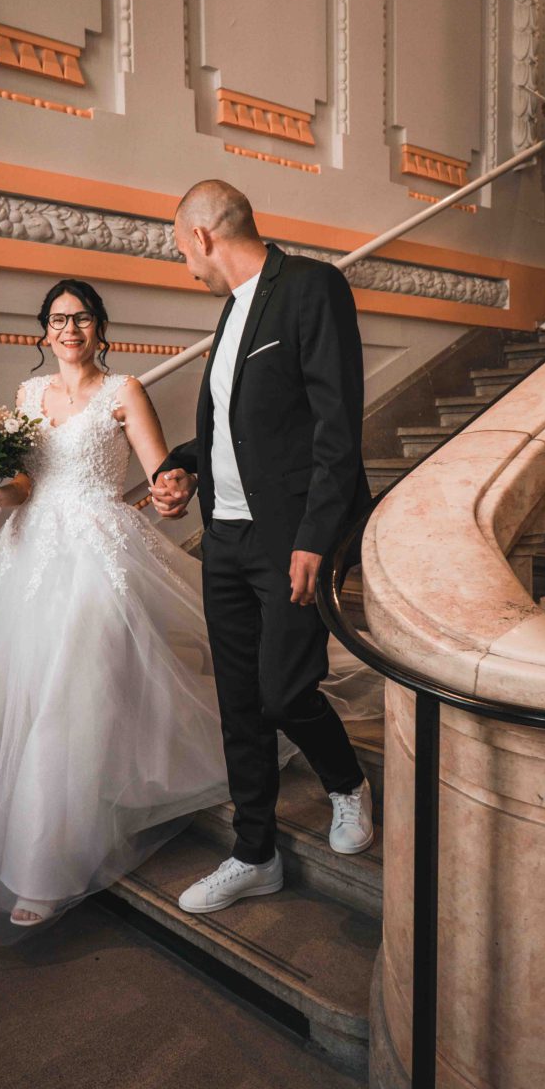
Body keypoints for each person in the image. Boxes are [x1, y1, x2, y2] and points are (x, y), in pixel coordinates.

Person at [0, 276, 380, 947]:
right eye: (58, 319)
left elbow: (162, 471)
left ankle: (42, 873)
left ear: (99, 327)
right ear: (44, 331)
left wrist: (172, 490)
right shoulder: (27, 397)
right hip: (33, 559)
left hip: (98, 554)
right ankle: (79, 819)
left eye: (81, 317)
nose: (70, 328)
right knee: (38, 696)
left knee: (63, 701)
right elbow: (24, 484)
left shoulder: (124, 391)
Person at [150, 180, 374, 916]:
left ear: (203, 234)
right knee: (241, 704)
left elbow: (338, 428)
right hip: (228, 542)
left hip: (289, 540)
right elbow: (235, 426)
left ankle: (346, 782)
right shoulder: (230, 311)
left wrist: (317, 536)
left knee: (284, 691)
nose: (186, 266)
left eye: (182, 249)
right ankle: (255, 854)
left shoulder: (312, 288)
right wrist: (181, 462)